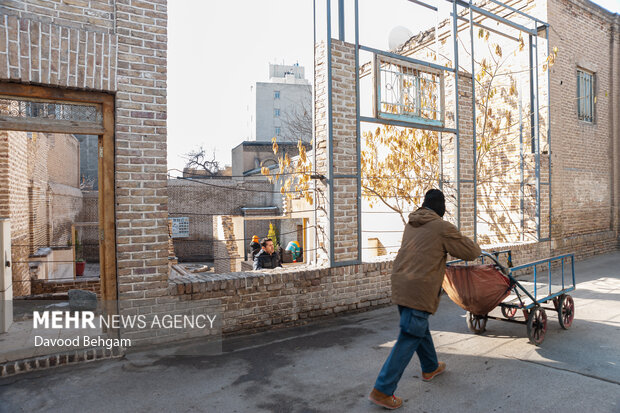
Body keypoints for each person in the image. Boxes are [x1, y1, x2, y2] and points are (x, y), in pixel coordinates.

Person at [369, 189, 481, 410]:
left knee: (417, 328)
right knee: (410, 335)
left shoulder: (411, 224)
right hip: (419, 290)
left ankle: (430, 367)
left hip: (401, 285)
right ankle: (382, 390)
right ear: (441, 208)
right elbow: (471, 251)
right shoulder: (441, 227)